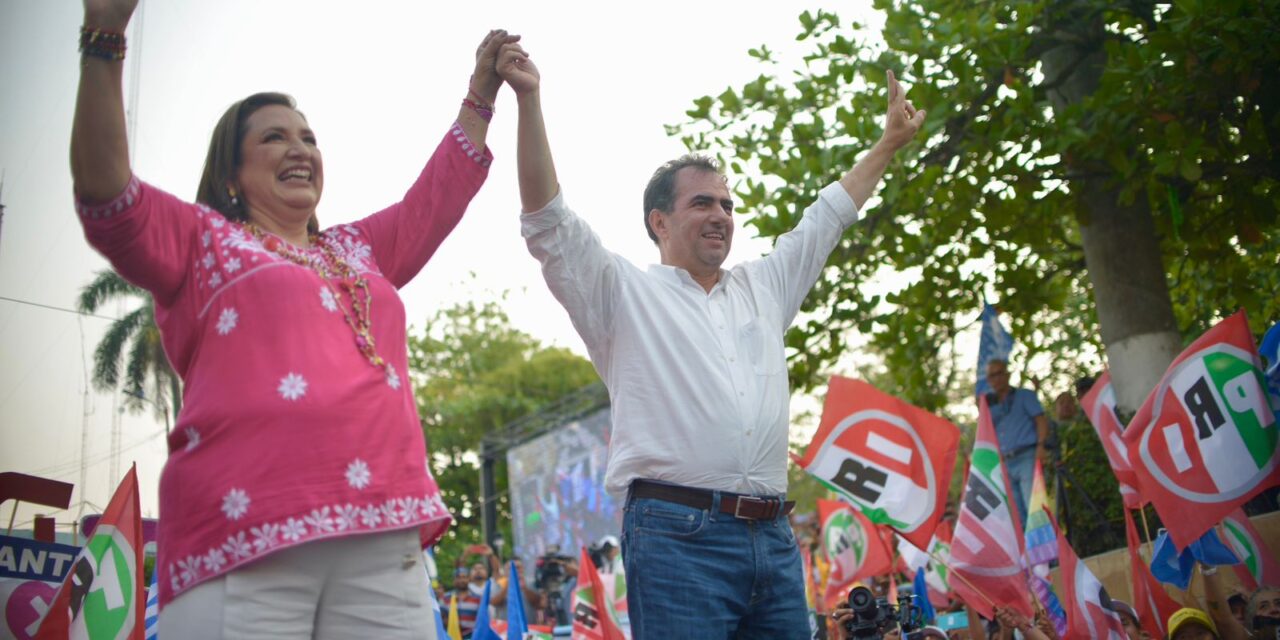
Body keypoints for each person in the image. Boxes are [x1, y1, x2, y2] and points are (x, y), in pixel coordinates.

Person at [70, 0, 514, 636]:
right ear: (231, 171)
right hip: (243, 536)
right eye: (274, 137)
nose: (300, 148)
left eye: (308, 136)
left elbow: (435, 198)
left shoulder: (359, 248)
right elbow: (108, 192)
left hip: (383, 534)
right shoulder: (203, 240)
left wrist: (479, 94)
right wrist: (105, 40)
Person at [498, 34, 925, 639]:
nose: (723, 215)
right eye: (704, 203)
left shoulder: (765, 286)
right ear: (659, 221)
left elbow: (827, 216)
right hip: (676, 539)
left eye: (728, 204)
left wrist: (888, 143)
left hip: (774, 541)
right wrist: (529, 101)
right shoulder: (619, 292)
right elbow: (547, 219)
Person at [984, 358, 1049, 525]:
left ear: (1007, 374)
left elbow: (1041, 421)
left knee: (1034, 507)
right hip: (1004, 462)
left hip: (1026, 456)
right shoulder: (989, 406)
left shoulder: (1024, 395)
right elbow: (986, 434)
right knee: (1016, 515)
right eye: (991, 376)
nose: (996, 379)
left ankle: (1046, 549)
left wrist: (1041, 447)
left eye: (999, 373)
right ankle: (1028, 550)